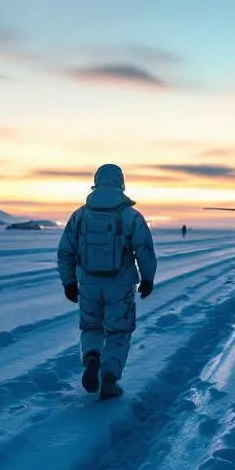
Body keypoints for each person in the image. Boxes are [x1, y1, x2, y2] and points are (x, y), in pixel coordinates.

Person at [57, 164, 157, 400]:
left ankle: (92, 357)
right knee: (118, 331)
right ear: (121, 183)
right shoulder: (130, 215)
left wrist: (68, 281)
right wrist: (148, 278)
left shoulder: (80, 214)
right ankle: (109, 377)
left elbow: (65, 250)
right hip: (120, 284)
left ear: (97, 182)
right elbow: (144, 249)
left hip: (88, 283)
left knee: (91, 326)